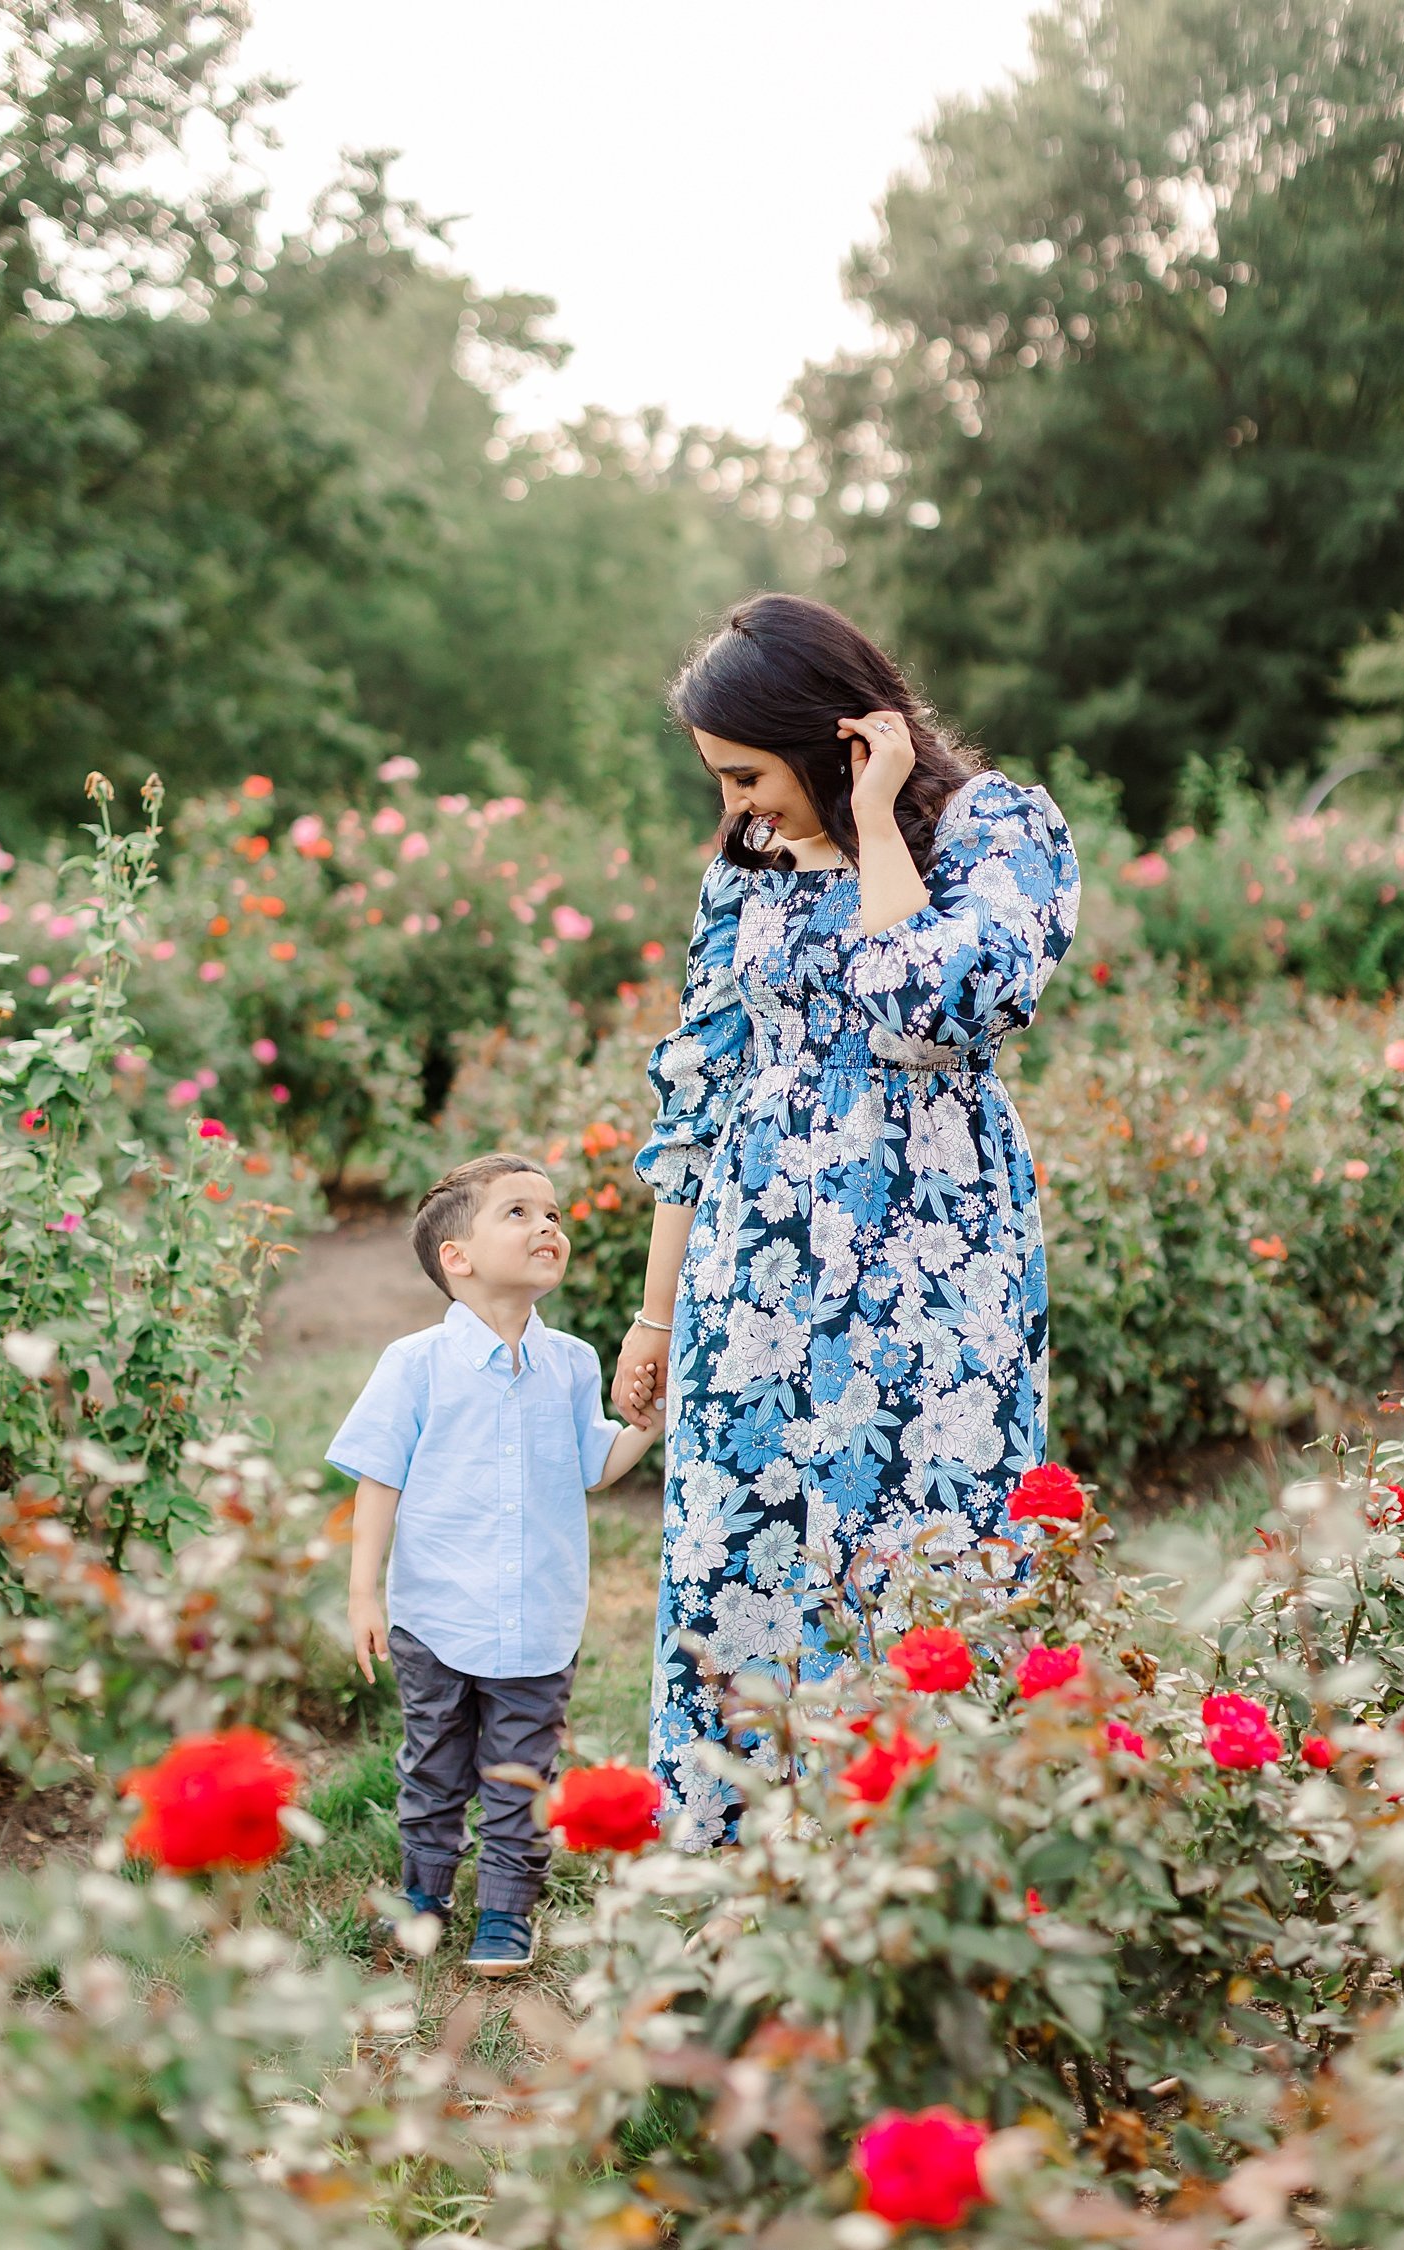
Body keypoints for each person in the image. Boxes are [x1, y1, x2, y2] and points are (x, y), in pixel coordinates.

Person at [609, 593, 1080, 1848]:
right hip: (753, 1270)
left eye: (751, 774)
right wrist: (654, 1316)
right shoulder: (743, 881)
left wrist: (871, 824)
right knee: (742, 1540)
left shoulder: (994, 830)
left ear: (832, 740)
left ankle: (923, 1851)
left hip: (932, 1255)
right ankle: (749, 1864)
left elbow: (933, 1011)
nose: (738, 806)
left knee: (926, 1531)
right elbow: (697, 1101)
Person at [331, 1153, 662, 1973]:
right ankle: (424, 1894)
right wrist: (363, 1592)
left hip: (538, 1616)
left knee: (520, 1771)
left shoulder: (575, 1363)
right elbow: (380, 1481)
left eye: (553, 1213)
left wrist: (644, 1429)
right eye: (519, 1213)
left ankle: (507, 1912)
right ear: (458, 1256)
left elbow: (594, 1463)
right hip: (434, 1614)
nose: (548, 1226)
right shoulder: (414, 1366)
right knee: (434, 1765)